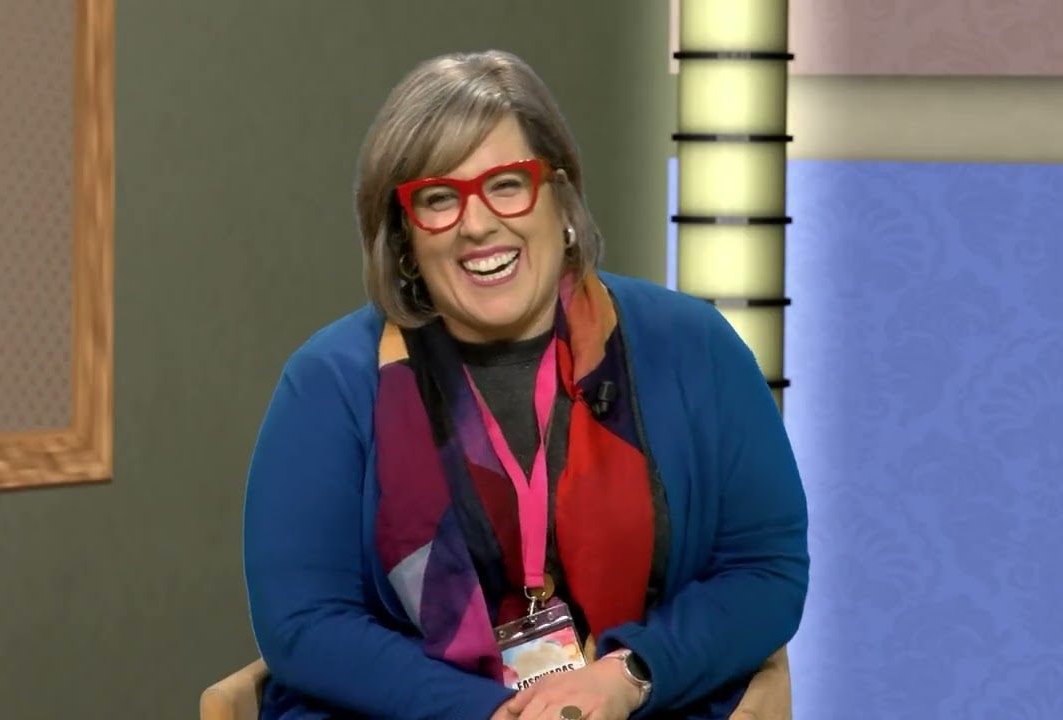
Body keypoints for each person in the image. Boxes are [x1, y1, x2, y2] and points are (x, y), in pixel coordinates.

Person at [242, 49, 809, 720]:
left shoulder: (693, 346)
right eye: (438, 199)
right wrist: (491, 715)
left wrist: (628, 675)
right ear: (403, 236)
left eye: (507, 184)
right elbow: (304, 623)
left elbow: (764, 571)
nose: (478, 223)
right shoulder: (329, 383)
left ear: (559, 196)